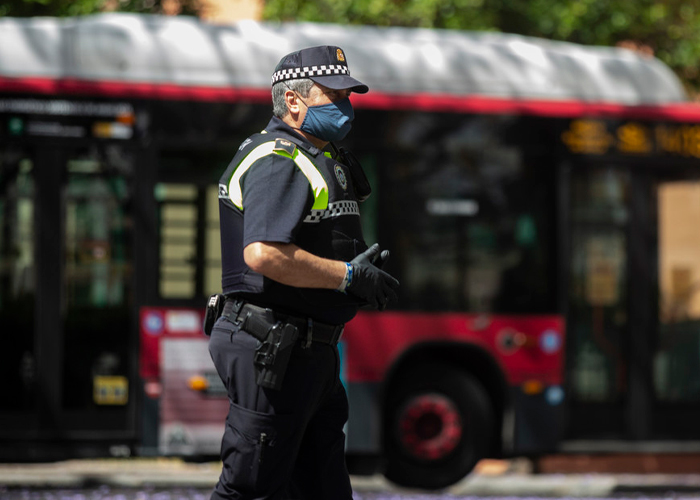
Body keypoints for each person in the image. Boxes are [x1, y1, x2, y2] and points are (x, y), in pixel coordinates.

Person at [208, 45, 400, 500]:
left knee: (322, 489)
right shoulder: (280, 159)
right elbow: (262, 254)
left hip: (307, 349)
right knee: (251, 488)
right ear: (293, 101)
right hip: (272, 348)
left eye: (347, 95)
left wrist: (354, 270)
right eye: (331, 95)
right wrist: (346, 277)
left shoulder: (317, 155)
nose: (344, 105)